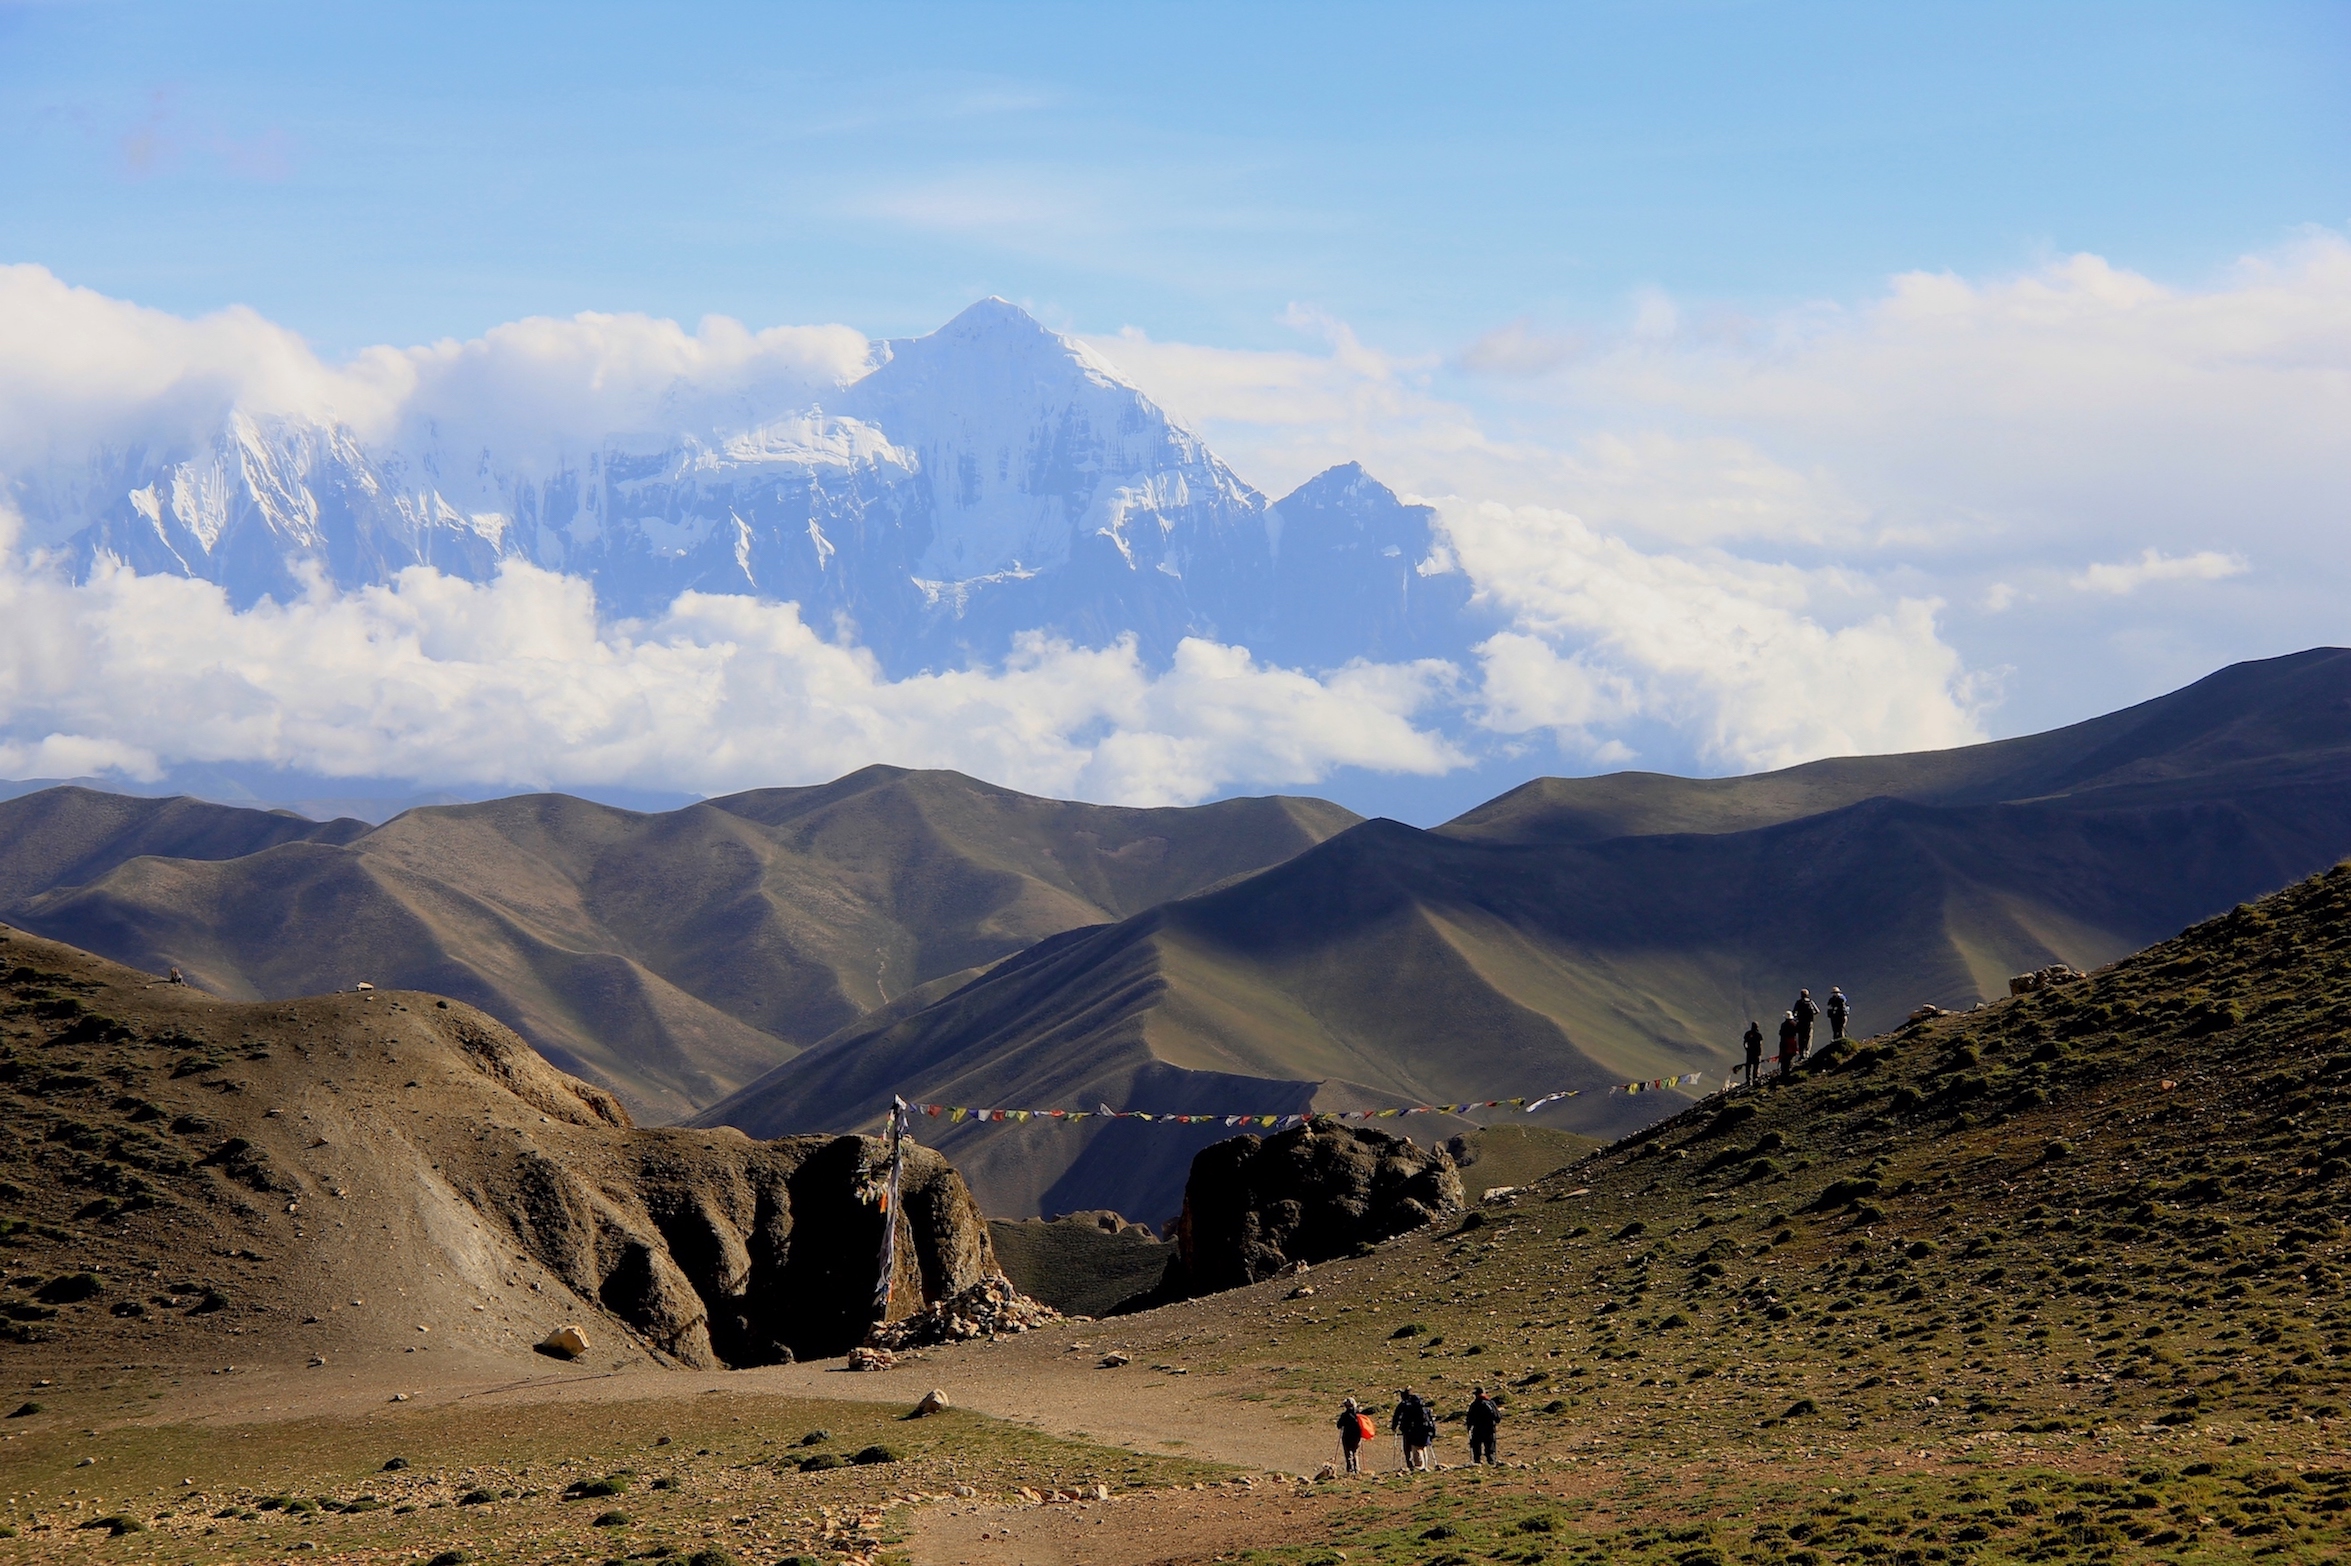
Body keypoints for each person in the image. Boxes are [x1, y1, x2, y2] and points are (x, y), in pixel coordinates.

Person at [1392, 1388, 1435, 1471]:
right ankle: (1424, 1466)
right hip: (1424, 1431)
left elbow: (1397, 1416)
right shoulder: (1422, 1406)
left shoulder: (1404, 1405)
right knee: (1423, 1447)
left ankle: (1413, 1466)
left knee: (1409, 1448)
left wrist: (1395, 1426)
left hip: (1409, 1430)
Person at [1465, 1386, 1501, 1464]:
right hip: (1490, 1429)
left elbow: (1469, 1418)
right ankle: (1491, 1461)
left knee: (1476, 1446)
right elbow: (1498, 1417)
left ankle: (1477, 1461)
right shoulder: (1491, 1403)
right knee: (1490, 1446)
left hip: (1477, 1429)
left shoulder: (1474, 1404)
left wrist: (1469, 1427)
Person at [1336, 1397, 1370, 1473]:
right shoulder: (1359, 1414)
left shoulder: (1344, 1415)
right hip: (1357, 1436)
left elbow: (1339, 1425)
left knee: (1348, 1453)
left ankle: (1350, 1469)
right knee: (1355, 1452)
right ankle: (1356, 1468)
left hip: (1347, 1437)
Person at [1793, 989, 1820, 1059]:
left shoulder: (1798, 1002)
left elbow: (1794, 1012)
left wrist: (1797, 1017)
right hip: (1809, 1023)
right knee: (1808, 1038)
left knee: (1801, 1038)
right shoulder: (1811, 1002)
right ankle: (1807, 1053)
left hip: (1801, 1023)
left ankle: (1802, 1054)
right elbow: (1817, 1011)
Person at [1777, 1011, 1800, 1079]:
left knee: (1784, 1057)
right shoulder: (1794, 1024)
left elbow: (1780, 1033)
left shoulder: (1783, 1025)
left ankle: (1784, 1071)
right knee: (1791, 1056)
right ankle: (1789, 1069)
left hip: (1784, 1042)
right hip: (1792, 1042)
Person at [1741, 1020, 1764, 1087]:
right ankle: (1755, 1078)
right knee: (1756, 1066)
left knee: (1749, 1066)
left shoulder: (1748, 1034)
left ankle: (1749, 1080)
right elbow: (1760, 1045)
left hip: (1750, 1052)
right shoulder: (1758, 1035)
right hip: (1756, 1053)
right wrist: (1760, 1053)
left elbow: (1744, 1043)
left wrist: (1747, 1049)